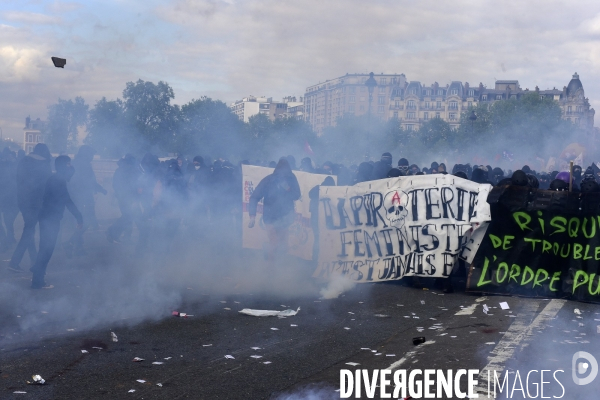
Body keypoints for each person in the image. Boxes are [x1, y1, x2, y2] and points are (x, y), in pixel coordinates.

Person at [30, 156, 82, 289]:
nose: (71, 167)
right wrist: (78, 216)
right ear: (63, 166)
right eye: (69, 164)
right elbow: (67, 200)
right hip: (50, 219)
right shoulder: (57, 180)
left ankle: (37, 271)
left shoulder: (57, 179)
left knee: (45, 249)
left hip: (49, 218)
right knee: (46, 250)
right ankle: (37, 280)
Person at [8, 143, 52, 273]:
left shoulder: (24, 161)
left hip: (23, 201)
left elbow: (18, 180)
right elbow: (46, 185)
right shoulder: (44, 165)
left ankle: (34, 260)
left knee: (29, 229)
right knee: (29, 231)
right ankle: (14, 262)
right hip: (36, 203)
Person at [248, 158, 300, 261]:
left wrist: (287, 188)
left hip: (285, 217)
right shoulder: (269, 180)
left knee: (284, 246)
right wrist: (252, 216)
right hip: (270, 216)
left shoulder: (291, 179)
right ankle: (270, 270)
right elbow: (254, 197)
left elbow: (297, 195)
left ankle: (281, 268)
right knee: (274, 242)